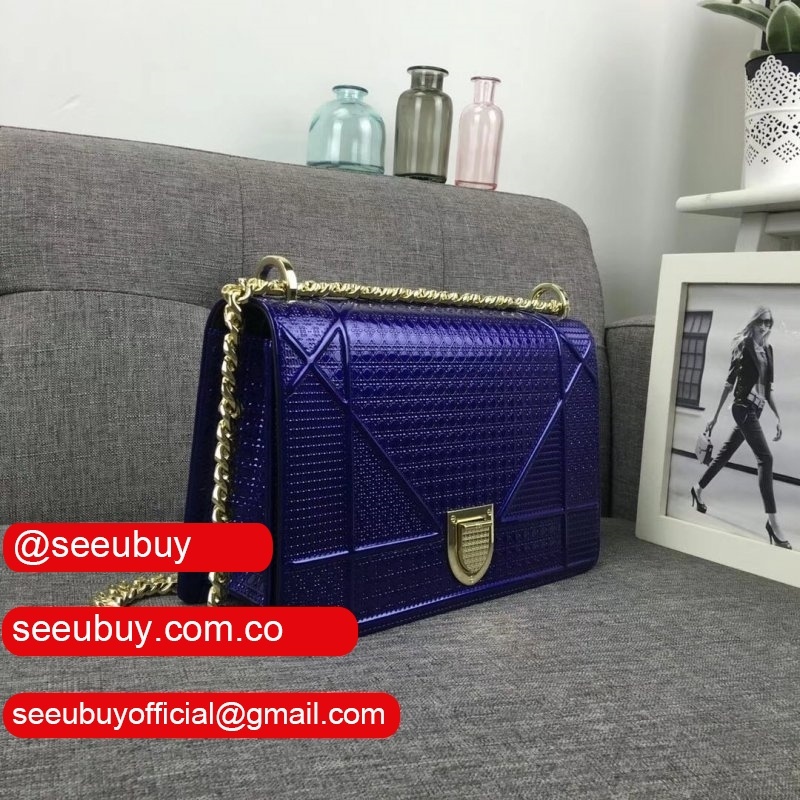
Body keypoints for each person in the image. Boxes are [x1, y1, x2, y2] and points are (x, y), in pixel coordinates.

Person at [691, 306, 791, 549]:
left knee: (725, 453)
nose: (765, 326)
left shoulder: (768, 350)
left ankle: (697, 488)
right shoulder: (743, 346)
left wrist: (778, 417)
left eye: (769, 323)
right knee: (765, 459)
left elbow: (768, 390)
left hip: (756, 409)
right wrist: (715, 417)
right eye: (761, 322)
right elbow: (729, 383)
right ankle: (772, 523)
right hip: (742, 408)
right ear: (753, 322)